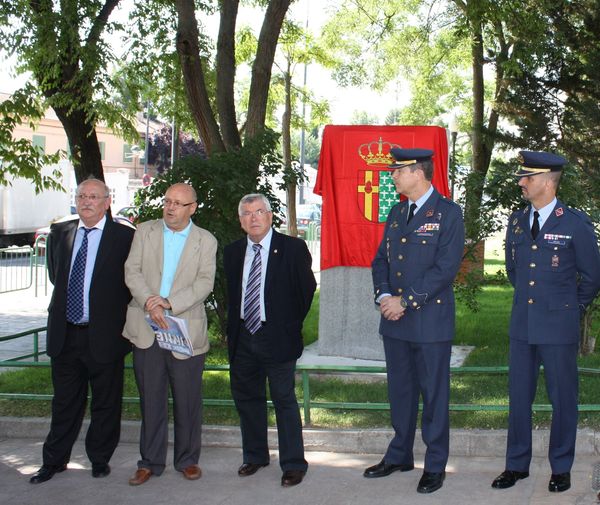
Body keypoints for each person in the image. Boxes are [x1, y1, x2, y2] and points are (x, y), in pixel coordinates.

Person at [491, 151, 600, 493]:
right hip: (523, 324)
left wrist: (570, 308)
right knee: (518, 397)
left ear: (549, 182)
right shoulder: (517, 221)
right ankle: (516, 465)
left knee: (562, 397)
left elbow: (592, 275)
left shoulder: (574, 223)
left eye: (529, 177)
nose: (522, 183)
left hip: (557, 326)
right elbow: (514, 270)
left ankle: (561, 467)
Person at [365, 148, 465, 494]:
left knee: (434, 396)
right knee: (401, 392)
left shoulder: (449, 214)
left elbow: (445, 269)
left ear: (418, 172)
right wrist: (383, 297)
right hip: (395, 322)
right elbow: (381, 261)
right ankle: (399, 455)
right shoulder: (396, 212)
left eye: (398, 170)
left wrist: (404, 301)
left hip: (430, 322)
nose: (392, 175)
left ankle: (435, 464)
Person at [29, 177, 135, 484]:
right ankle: (54, 461)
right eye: (81, 196)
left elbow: (129, 283)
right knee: (64, 402)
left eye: (93, 196)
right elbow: (55, 275)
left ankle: (99, 459)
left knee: (106, 402)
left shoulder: (123, 237)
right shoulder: (60, 232)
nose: (86, 201)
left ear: (107, 201)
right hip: (65, 333)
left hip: (105, 335)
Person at [123, 183, 217, 486]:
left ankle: (188, 460)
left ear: (192, 208)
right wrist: (151, 301)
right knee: (151, 398)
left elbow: (204, 283)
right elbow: (131, 270)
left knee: (188, 400)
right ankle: (149, 462)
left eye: (178, 203)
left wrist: (169, 303)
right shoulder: (145, 231)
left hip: (184, 327)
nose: (170, 208)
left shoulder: (205, 240)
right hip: (146, 326)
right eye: (167, 201)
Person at [223, 193, 316, 487]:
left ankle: (293, 463)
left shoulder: (292, 248)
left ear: (270, 215)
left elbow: (306, 290)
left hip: (277, 337)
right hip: (243, 337)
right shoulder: (233, 252)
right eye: (247, 213)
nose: (253, 218)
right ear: (240, 221)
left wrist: (287, 325)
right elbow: (232, 294)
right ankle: (254, 455)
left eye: (259, 211)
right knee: (248, 399)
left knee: (284, 400)